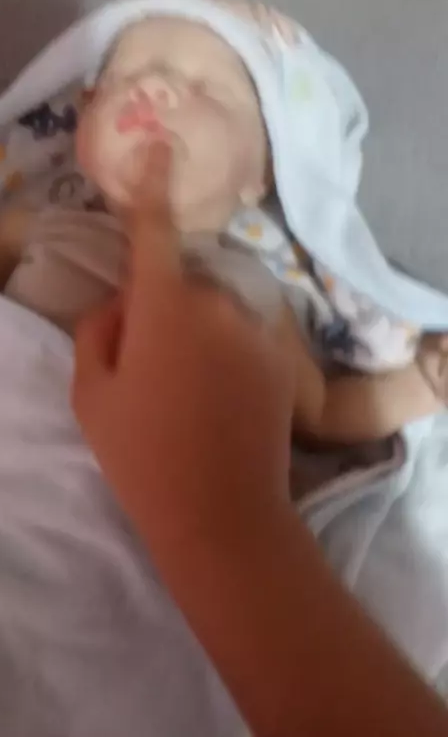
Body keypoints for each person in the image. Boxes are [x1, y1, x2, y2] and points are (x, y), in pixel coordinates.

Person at [72, 154, 448, 736]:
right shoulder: (54, 220)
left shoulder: (243, 282)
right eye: (112, 99)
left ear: (253, 182)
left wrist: (420, 386)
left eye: (197, 99)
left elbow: (323, 410)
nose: (153, 106)